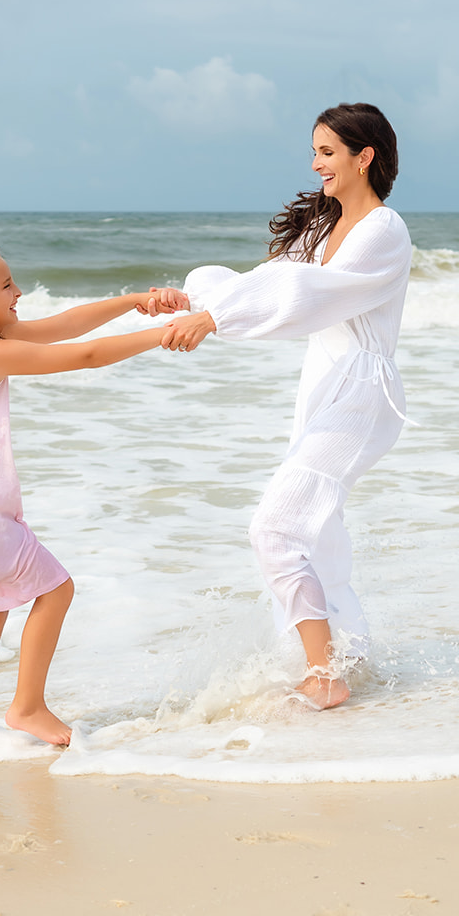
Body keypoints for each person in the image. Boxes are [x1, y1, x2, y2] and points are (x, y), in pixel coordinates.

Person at [0, 243, 182, 753]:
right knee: (56, 589)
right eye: (6, 286)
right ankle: (26, 707)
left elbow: (66, 325)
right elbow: (81, 356)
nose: (18, 292)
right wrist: (165, 335)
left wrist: (134, 301)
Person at [160, 103, 411, 710]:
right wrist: (193, 295)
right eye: (315, 152)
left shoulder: (384, 230)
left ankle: (324, 673)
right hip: (323, 383)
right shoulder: (321, 230)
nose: (317, 164)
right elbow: (266, 279)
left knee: (275, 528)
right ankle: (351, 657)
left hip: (360, 391)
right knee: (318, 535)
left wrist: (213, 318)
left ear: (364, 157)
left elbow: (306, 294)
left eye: (327, 152)